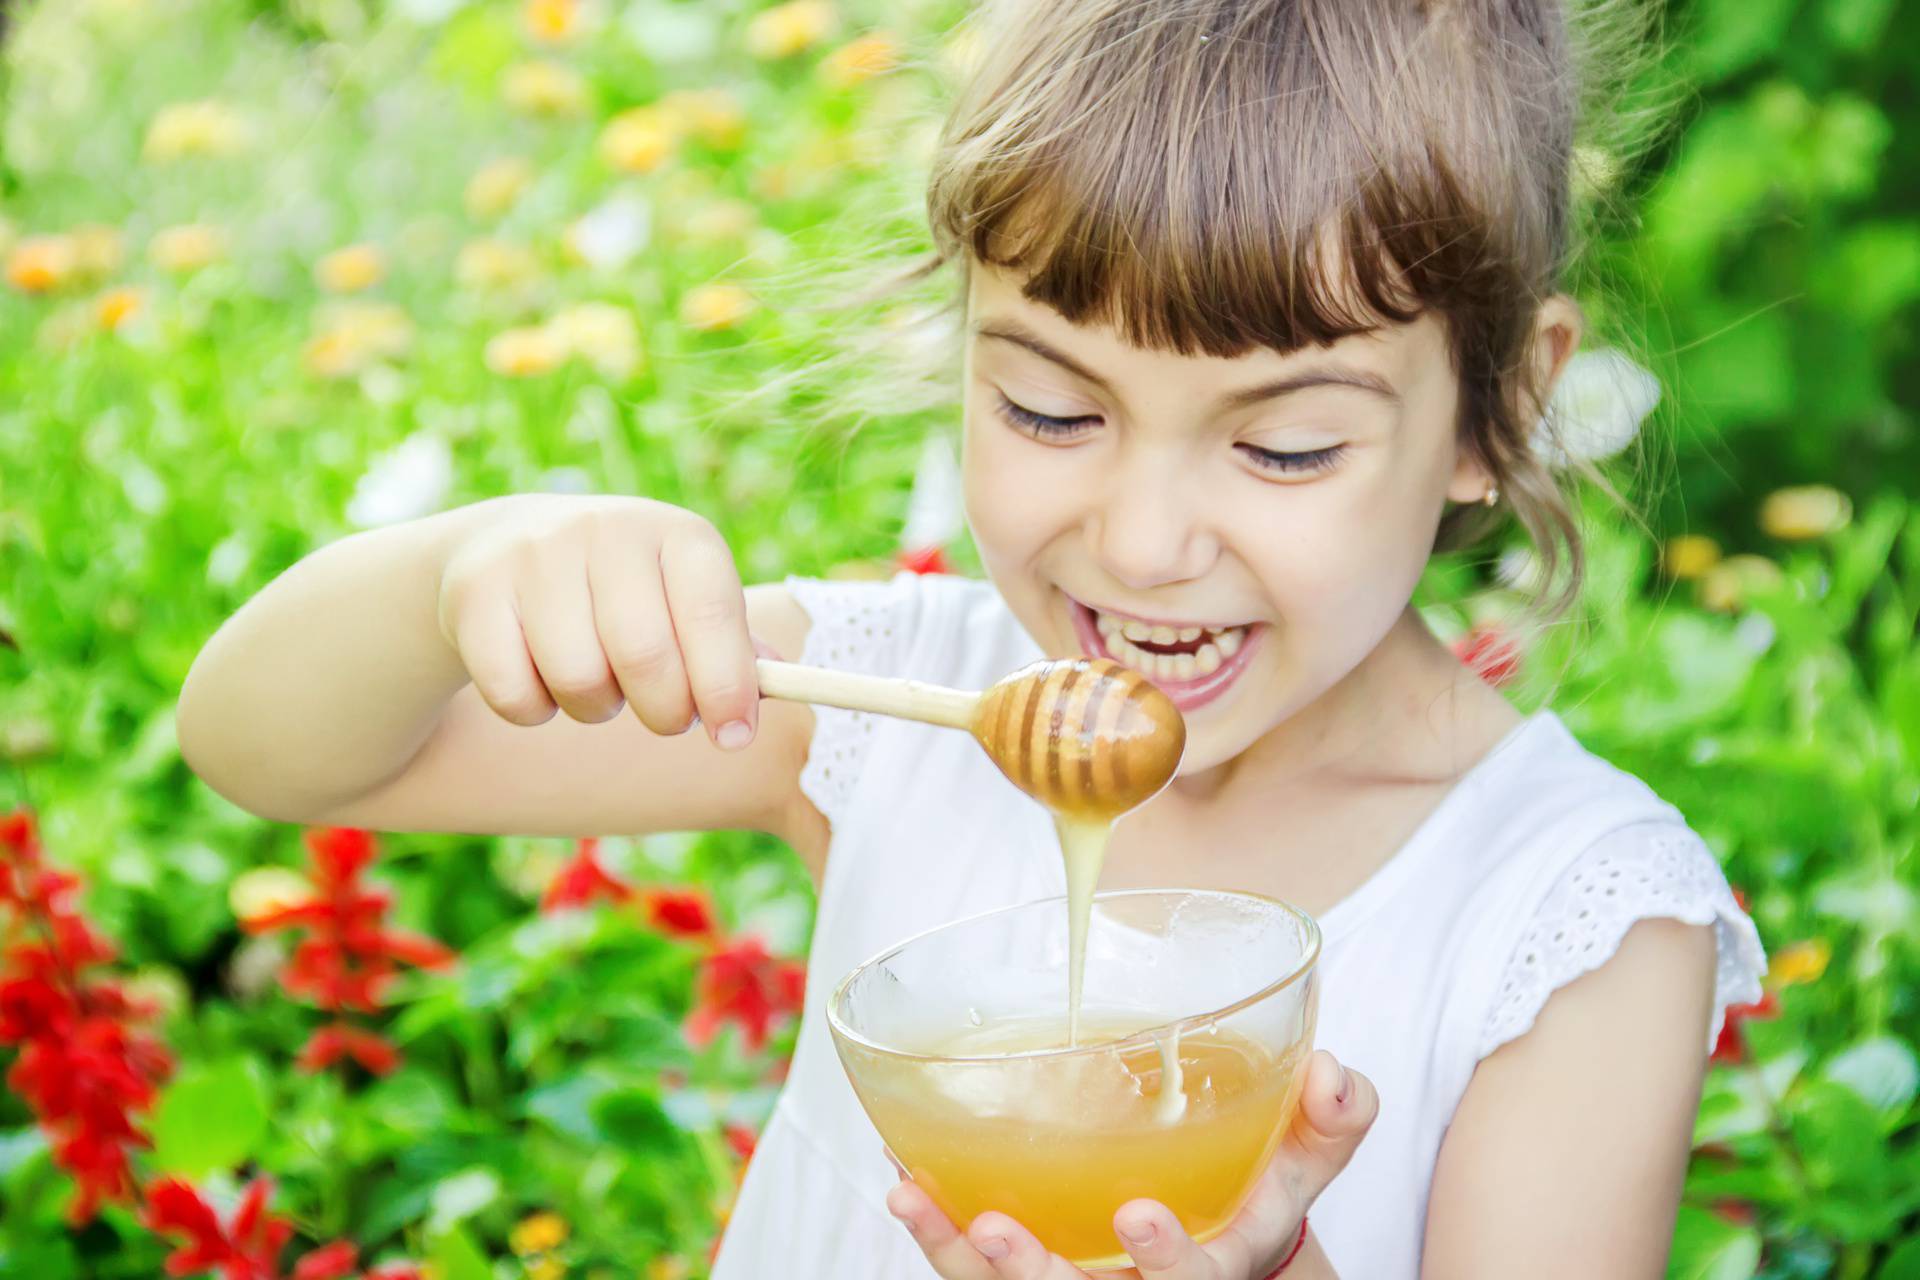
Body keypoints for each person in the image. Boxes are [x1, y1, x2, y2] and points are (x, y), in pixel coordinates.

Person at [177, 0, 1768, 1274]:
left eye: (1283, 447)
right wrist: (468, 569)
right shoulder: (898, 709)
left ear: (1504, 406)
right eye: (1051, 406)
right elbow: (267, 749)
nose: (1142, 542)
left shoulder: (1567, 929)